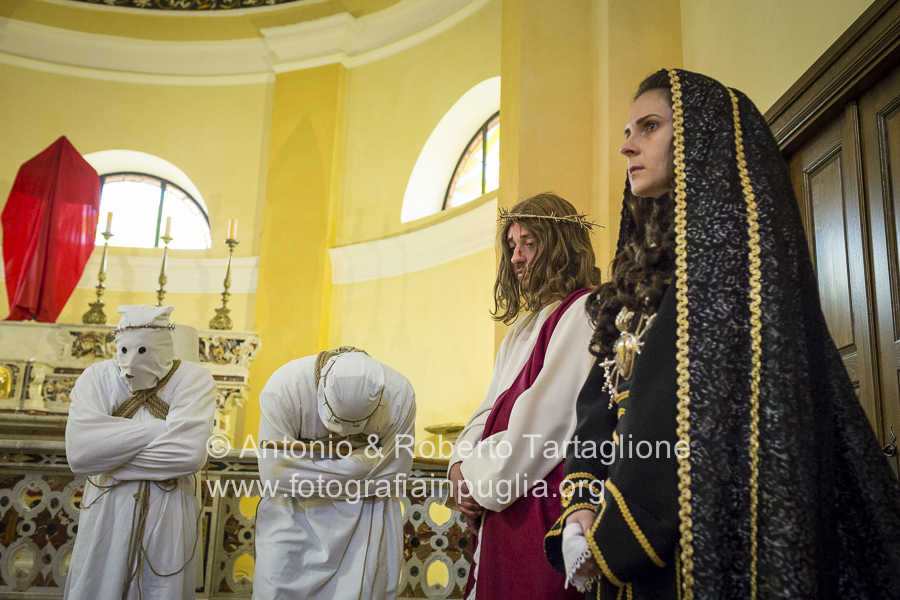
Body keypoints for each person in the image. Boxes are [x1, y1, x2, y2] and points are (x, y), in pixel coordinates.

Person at [544, 68, 900, 599]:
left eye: (649, 126)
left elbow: (681, 417)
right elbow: (599, 401)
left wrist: (610, 538)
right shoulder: (639, 279)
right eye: (626, 131)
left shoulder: (733, 263)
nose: (627, 146)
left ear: (698, 135)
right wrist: (580, 510)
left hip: (702, 539)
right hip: (615, 538)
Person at [447, 192, 602, 600]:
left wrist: (480, 484)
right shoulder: (520, 330)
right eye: (512, 245)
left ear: (561, 246)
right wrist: (459, 467)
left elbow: (542, 427)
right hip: (505, 503)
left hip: (540, 506)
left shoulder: (584, 311)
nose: (516, 257)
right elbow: (486, 411)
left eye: (529, 243)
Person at [65, 305, 216, 600]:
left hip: (168, 507)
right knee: (99, 584)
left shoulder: (194, 379)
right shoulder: (96, 378)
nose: (131, 362)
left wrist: (110, 453)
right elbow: (80, 454)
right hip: (109, 508)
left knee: (160, 587)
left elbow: (188, 455)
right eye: (123, 350)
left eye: (143, 351)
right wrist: (163, 430)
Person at [252, 347, 416, 600]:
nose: (343, 431)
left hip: (367, 514)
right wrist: (362, 464)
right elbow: (275, 475)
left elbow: (395, 475)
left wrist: (306, 466)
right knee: (277, 587)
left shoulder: (399, 394)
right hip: (291, 514)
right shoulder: (285, 386)